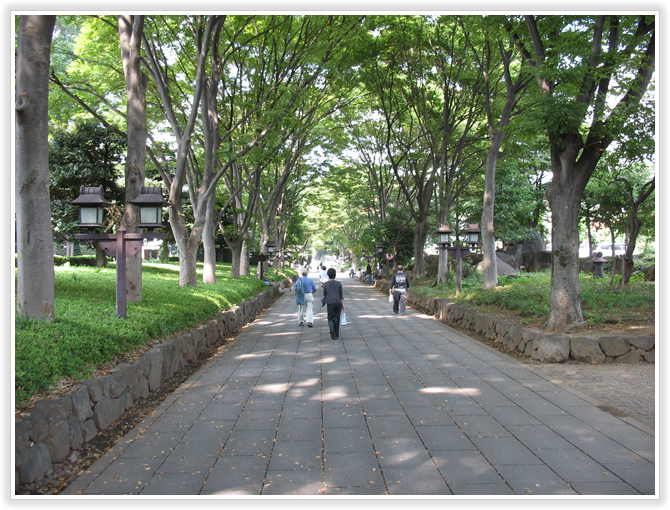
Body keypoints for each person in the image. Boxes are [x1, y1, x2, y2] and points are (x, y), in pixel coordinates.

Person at [321, 267, 345, 340]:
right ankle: (336, 335)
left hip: (330, 302)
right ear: (335, 274)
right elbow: (341, 295)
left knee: (330, 317)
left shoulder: (326, 284)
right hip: (338, 302)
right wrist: (343, 304)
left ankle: (331, 329)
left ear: (328, 275)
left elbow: (324, 294)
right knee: (337, 318)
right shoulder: (339, 283)